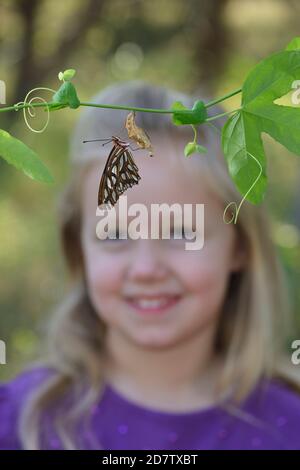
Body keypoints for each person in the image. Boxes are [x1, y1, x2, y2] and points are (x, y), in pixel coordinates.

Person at [0, 80, 299, 450]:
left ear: (239, 247)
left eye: (180, 232)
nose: (145, 269)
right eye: (114, 234)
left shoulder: (288, 427)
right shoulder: (20, 423)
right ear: (79, 247)